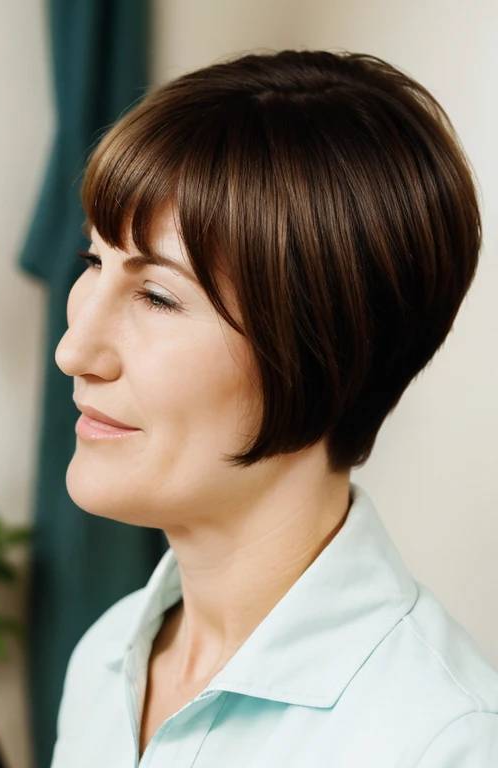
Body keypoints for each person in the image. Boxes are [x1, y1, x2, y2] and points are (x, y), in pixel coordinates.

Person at [50, 49, 498, 766]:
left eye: (157, 295)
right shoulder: (107, 657)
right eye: (93, 263)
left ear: (325, 347)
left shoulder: (441, 740)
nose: (75, 352)